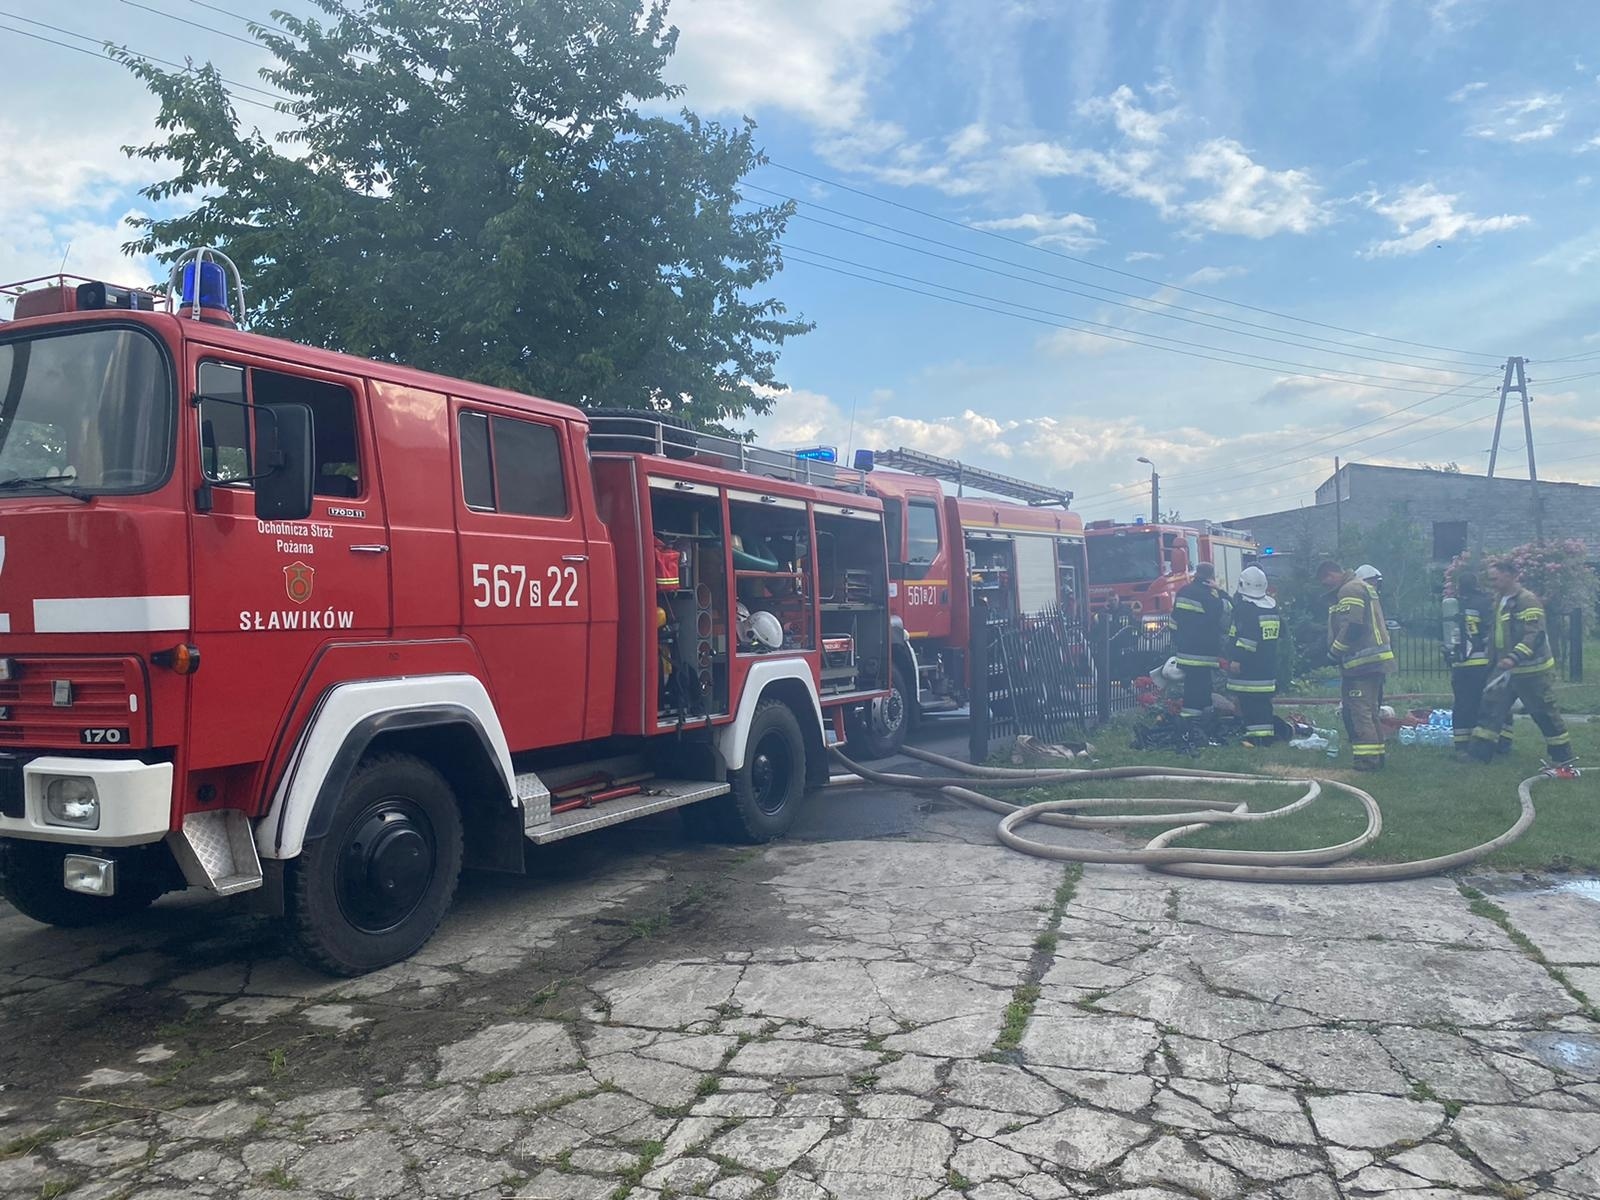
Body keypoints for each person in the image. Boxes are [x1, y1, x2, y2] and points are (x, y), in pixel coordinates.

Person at [1469, 559, 1576, 774]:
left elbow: (1534, 635)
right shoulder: (1500, 599)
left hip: (1531, 671)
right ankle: (1480, 756)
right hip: (1505, 669)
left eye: (1496, 578)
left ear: (1511, 574)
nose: (1492, 584)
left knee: (1543, 713)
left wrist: (1514, 658)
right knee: (1491, 707)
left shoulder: (1527, 601)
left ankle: (1562, 758)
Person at [1318, 559, 1396, 771]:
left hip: (1361, 663)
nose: (1327, 588)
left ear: (1332, 574)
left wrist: (1334, 651)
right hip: (1373, 662)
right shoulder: (1361, 587)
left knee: (1360, 712)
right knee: (1370, 712)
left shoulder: (1349, 589)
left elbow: (1353, 626)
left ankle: (1367, 762)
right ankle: (1377, 758)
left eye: (1326, 583)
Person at [1446, 570, 1510, 761]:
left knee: (1463, 705)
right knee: (1491, 703)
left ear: (1459, 586)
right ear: (1476, 585)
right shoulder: (1486, 603)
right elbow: (1492, 632)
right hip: (1483, 663)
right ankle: (1502, 743)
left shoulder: (1453, 605)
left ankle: (1461, 748)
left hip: (1460, 664)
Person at [1227, 565, 1281, 746]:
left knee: (1250, 703)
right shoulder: (1271, 607)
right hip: (1267, 663)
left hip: (1249, 666)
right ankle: (1264, 737)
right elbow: (1281, 635)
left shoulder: (1246, 608)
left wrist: (1236, 659)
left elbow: (1247, 638)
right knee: (1263, 703)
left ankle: (1255, 738)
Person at [1171, 562, 1227, 735]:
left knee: (1191, 686)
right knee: (1202, 686)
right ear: (1211, 577)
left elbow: (1174, 621)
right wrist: (1220, 591)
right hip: (1204, 652)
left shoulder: (1183, 591)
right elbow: (1227, 615)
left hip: (1185, 650)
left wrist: (1178, 641)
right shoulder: (1210, 596)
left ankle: (1189, 722)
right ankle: (1198, 724)